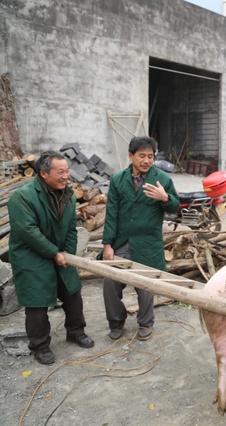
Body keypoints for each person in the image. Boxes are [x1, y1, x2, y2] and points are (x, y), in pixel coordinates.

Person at [7, 151, 94, 365]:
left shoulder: (68, 195)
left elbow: (72, 229)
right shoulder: (23, 197)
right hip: (31, 255)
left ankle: (75, 331)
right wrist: (54, 253)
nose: (66, 176)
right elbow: (28, 231)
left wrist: (69, 254)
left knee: (72, 292)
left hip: (60, 252)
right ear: (44, 174)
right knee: (37, 303)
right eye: (60, 172)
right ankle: (40, 345)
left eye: (67, 171)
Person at [101, 136, 179, 341]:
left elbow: (175, 207)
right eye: (142, 156)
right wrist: (108, 244)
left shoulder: (162, 179)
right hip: (121, 241)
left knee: (146, 287)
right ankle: (116, 322)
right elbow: (111, 213)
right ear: (130, 155)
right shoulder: (118, 180)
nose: (146, 161)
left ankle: (145, 323)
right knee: (110, 282)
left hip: (147, 243)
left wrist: (165, 198)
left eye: (150, 156)